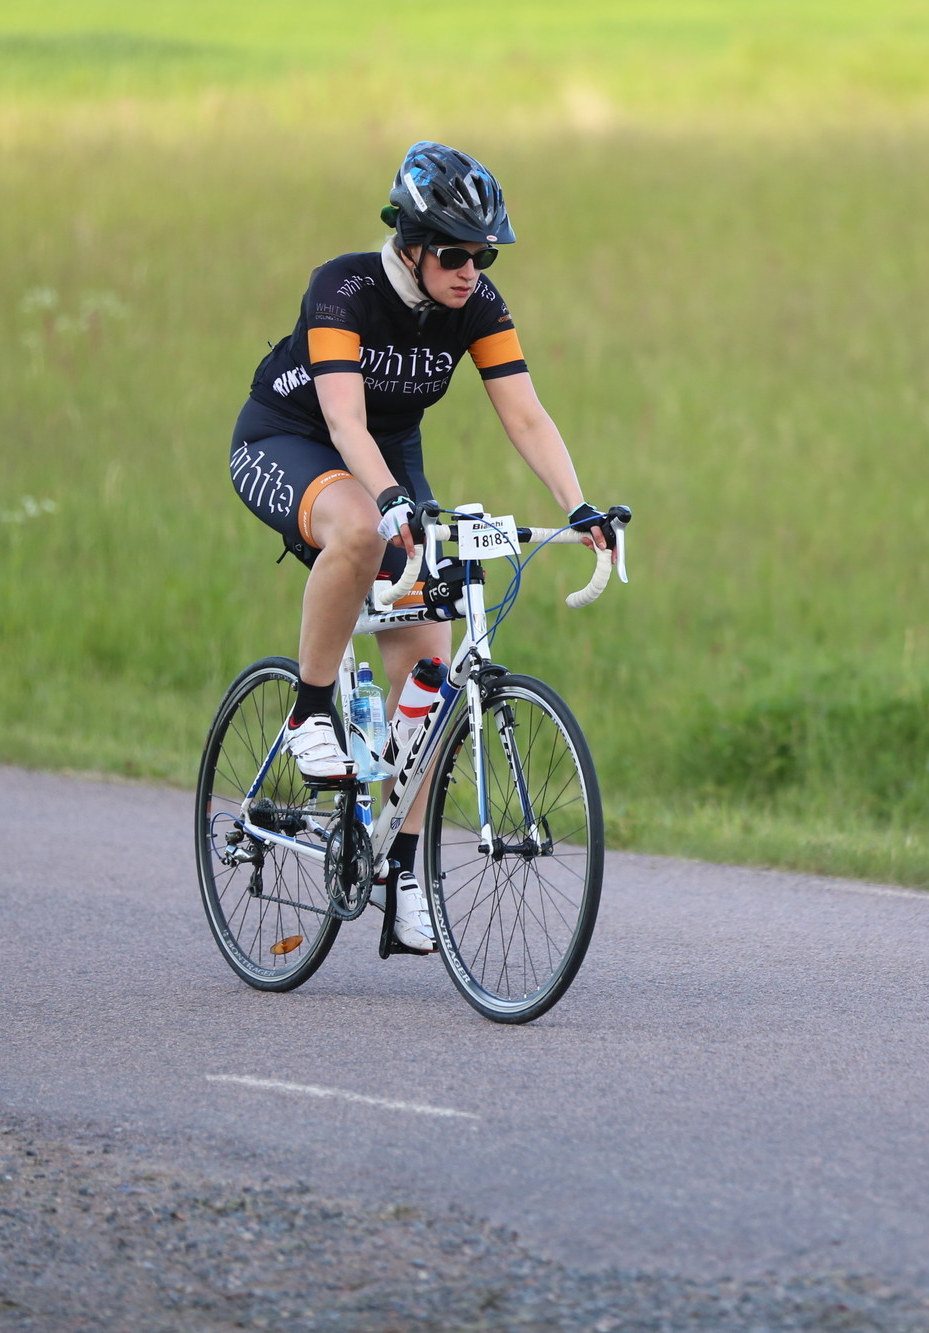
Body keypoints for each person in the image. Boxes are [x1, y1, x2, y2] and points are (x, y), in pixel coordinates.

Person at [228, 142, 614, 954]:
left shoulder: (477, 304)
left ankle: (404, 871)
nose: (471, 270)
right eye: (454, 254)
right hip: (291, 439)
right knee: (359, 530)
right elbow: (344, 422)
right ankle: (309, 710)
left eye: (484, 255)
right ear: (409, 243)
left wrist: (577, 506)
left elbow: (526, 415)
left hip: (389, 454)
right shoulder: (344, 288)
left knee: (430, 676)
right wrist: (390, 502)